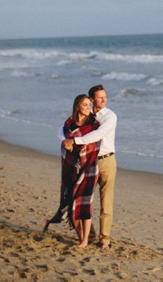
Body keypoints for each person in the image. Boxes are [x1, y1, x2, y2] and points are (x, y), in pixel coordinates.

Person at [60, 84, 117, 250]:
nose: (104, 100)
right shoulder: (86, 114)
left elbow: (97, 134)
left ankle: (104, 239)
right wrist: (64, 140)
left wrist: (75, 141)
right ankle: (89, 236)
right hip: (88, 161)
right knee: (82, 199)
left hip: (106, 161)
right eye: (100, 97)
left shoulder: (110, 116)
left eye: (105, 96)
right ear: (91, 99)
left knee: (106, 202)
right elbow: (63, 130)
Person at [44, 94, 101, 248]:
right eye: (85, 105)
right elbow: (60, 133)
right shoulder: (69, 124)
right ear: (78, 107)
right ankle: (82, 237)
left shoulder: (94, 125)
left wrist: (74, 143)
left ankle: (84, 241)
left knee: (84, 204)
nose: (88, 108)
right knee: (71, 205)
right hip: (71, 169)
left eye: (89, 105)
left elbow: (93, 142)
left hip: (88, 168)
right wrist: (65, 141)